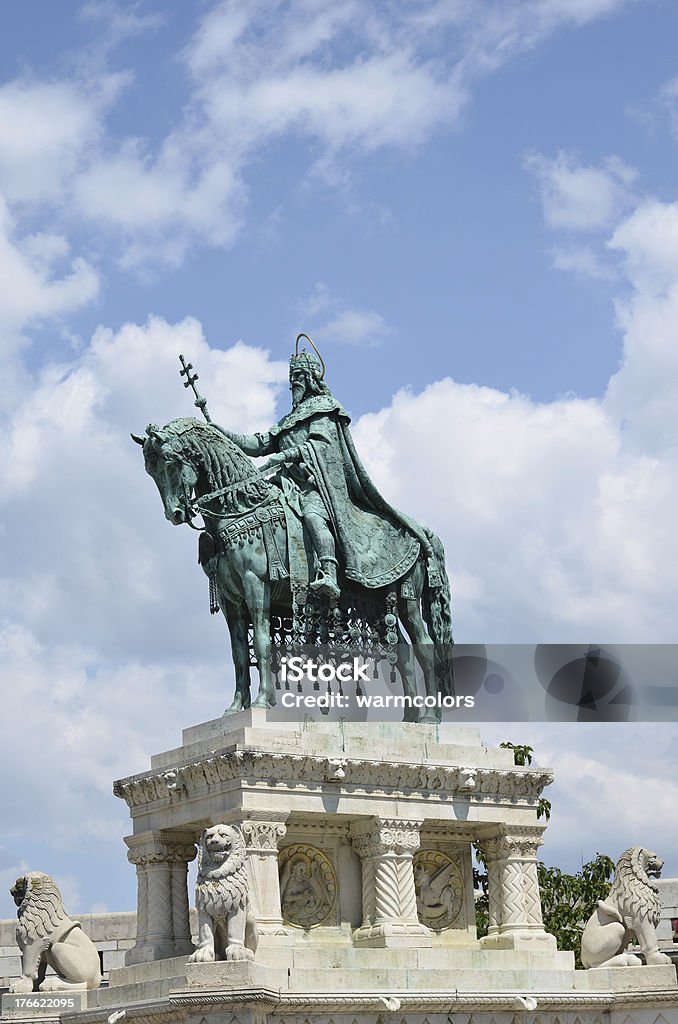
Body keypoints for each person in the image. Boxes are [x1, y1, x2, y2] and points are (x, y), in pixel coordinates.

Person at [214, 337, 431, 599]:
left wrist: (284, 456)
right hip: (286, 486)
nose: (293, 382)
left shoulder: (324, 409)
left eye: (298, 376)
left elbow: (320, 447)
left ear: (310, 379)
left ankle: (328, 572)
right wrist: (222, 433)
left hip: (315, 486)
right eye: (291, 376)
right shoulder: (289, 419)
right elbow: (258, 443)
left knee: (314, 517)